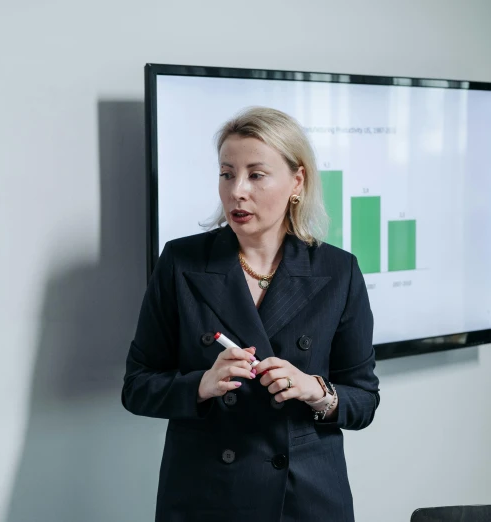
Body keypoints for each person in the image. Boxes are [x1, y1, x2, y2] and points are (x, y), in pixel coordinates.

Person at [121, 106, 380, 522]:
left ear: (297, 181)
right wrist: (203, 385)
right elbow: (136, 386)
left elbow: (364, 400)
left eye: (256, 175)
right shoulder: (181, 261)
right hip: (206, 495)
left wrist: (315, 389)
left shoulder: (338, 270)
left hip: (307, 496)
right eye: (227, 174)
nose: (237, 191)